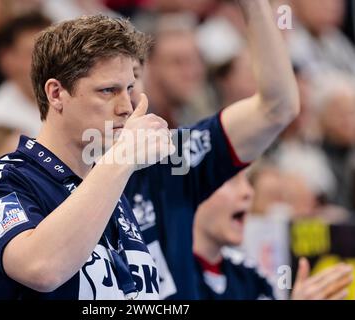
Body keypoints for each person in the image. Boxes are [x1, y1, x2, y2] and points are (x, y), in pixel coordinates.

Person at [0, 15, 173, 299]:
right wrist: (122, 158)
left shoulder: (112, 185)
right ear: (56, 93)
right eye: (108, 90)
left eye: (129, 90)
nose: (126, 107)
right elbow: (42, 268)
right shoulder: (1, 181)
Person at [124, 0, 299, 299]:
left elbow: (278, 108)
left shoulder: (173, 151)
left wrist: (255, 6)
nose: (191, 72)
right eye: (178, 61)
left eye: (196, 61)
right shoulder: (70, 166)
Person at [193, 171, 353, 300]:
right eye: (231, 180)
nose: (248, 192)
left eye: (247, 182)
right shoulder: (173, 274)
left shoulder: (252, 277)